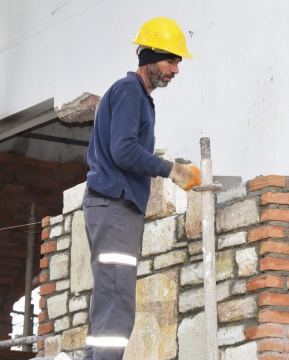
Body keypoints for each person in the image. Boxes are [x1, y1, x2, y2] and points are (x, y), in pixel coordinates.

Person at [81, 17, 201, 360]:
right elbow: (123, 150)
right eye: (171, 61)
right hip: (114, 207)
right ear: (149, 57)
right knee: (117, 302)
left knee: (110, 299)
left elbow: (123, 148)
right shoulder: (129, 91)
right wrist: (172, 169)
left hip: (113, 208)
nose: (176, 70)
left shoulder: (136, 95)